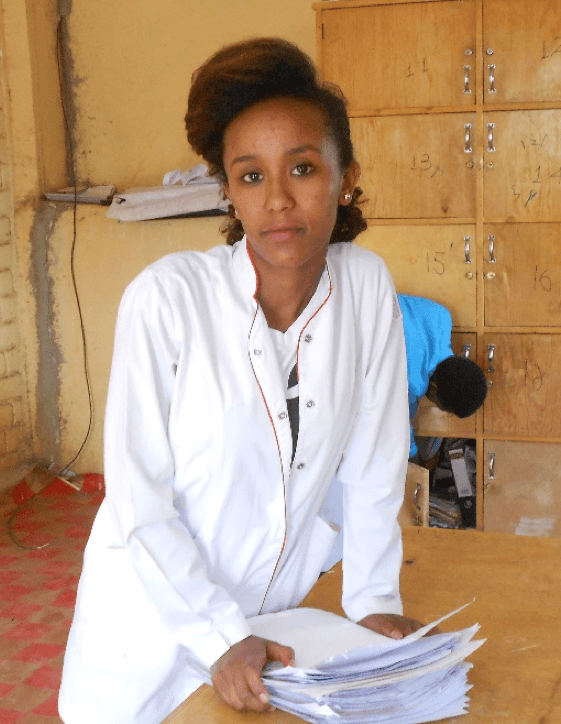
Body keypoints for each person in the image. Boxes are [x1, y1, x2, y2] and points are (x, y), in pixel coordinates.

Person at [58, 37, 427, 724]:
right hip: (147, 634)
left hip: (269, 636)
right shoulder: (168, 300)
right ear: (227, 190)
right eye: (251, 176)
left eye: (304, 168)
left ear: (346, 176)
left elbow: (373, 466)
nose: (279, 200)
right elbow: (140, 500)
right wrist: (220, 635)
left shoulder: (365, 286)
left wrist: (372, 602)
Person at [397, 293, 488, 458]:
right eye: (441, 406)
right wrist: (413, 454)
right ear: (434, 387)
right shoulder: (406, 383)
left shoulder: (441, 316)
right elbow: (401, 435)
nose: (437, 406)